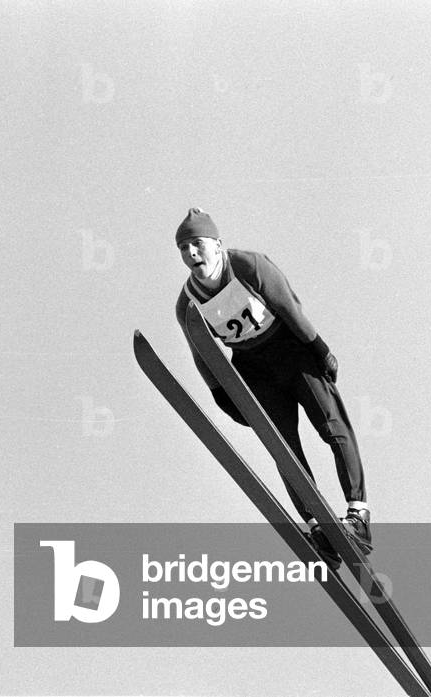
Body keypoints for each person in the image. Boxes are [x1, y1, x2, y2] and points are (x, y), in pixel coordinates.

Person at [173, 207, 371, 564]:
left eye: (197, 244)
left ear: (217, 245)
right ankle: (317, 526)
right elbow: (201, 354)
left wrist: (318, 347)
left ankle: (357, 515)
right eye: (184, 248)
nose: (191, 254)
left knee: (331, 425)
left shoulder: (250, 266)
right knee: (282, 447)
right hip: (253, 367)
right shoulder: (187, 302)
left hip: (291, 349)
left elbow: (288, 304)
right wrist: (221, 394)